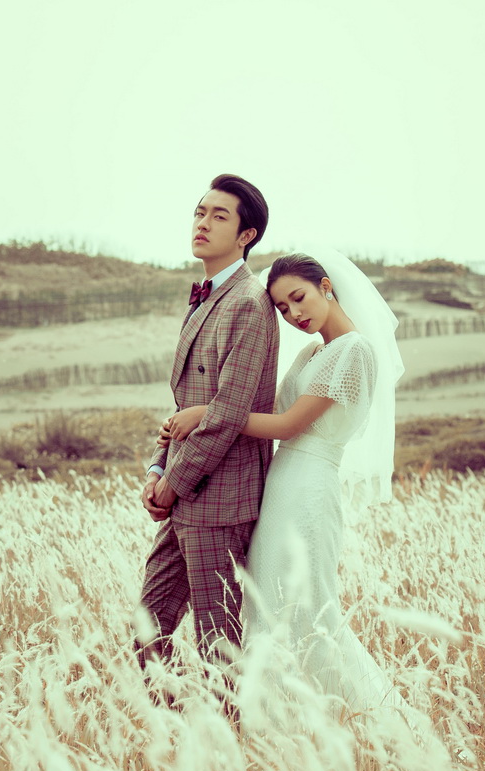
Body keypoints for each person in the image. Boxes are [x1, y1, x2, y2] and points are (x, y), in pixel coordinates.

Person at [159, 250, 404, 709]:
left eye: (299, 298)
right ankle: (280, 719)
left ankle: (359, 715)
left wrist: (206, 414)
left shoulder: (353, 350)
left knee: (307, 608)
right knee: (269, 605)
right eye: (283, 308)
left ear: (326, 286)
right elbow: (265, 410)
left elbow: (287, 425)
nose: (293, 314)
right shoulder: (315, 352)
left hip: (308, 490)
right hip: (279, 487)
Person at [135, 174, 281, 688]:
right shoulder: (207, 296)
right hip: (182, 491)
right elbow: (185, 406)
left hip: (220, 497)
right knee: (149, 629)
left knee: (218, 643)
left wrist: (172, 485)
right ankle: (172, 729)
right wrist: (157, 470)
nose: (203, 223)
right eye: (200, 212)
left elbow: (226, 414)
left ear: (247, 235)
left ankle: (229, 735)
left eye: (220, 216)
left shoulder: (249, 303)